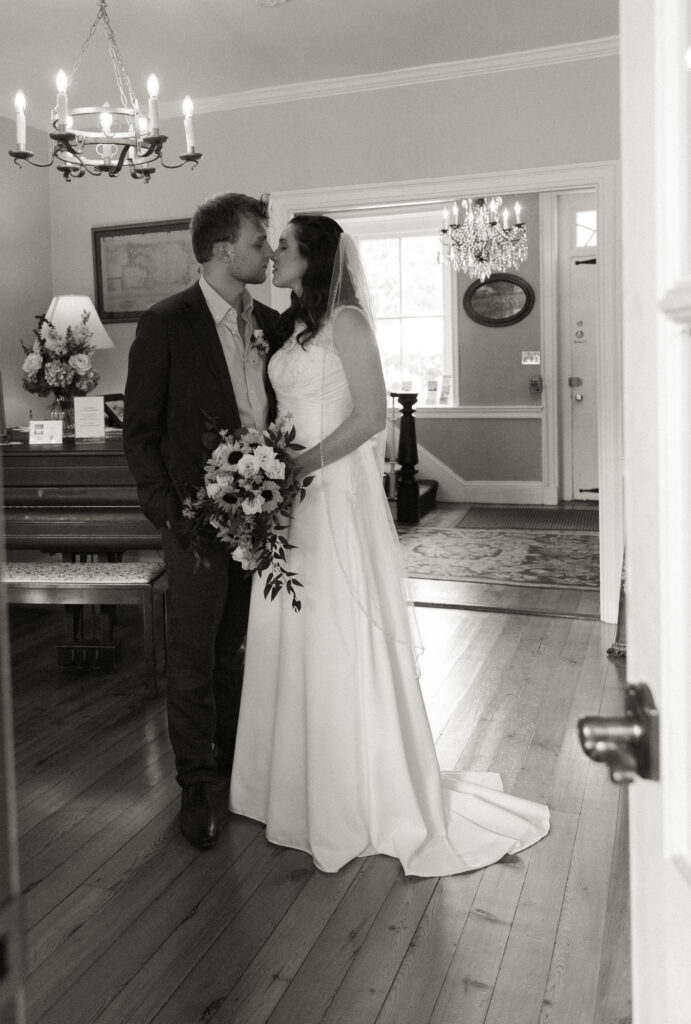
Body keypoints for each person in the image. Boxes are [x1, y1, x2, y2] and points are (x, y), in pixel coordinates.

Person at [229, 215, 550, 875]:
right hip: (287, 495)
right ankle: (289, 787)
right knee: (292, 629)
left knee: (334, 631)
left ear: (313, 258)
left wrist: (297, 466)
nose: (274, 255)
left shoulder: (346, 321)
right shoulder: (291, 328)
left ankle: (356, 794)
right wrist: (260, 461)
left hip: (330, 494)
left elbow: (370, 416)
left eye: (284, 246)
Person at [123, 193, 279, 849]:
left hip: (261, 522)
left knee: (240, 655)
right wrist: (169, 513)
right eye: (258, 242)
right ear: (223, 250)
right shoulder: (166, 323)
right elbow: (141, 431)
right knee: (190, 661)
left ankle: (238, 774)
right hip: (191, 525)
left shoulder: (272, 321)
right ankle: (196, 788)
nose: (267, 253)